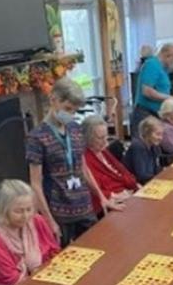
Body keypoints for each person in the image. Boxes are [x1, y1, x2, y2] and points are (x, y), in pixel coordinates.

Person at [26, 77, 120, 247]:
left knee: (96, 250)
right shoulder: (36, 137)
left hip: (84, 206)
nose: (70, 114)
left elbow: (82, 167)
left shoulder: (75, 129)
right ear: (53, 99)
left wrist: (101, 197)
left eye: (74, 111)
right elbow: (35, 184)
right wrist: (49, 220)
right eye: (67, 109)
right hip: (59, 212)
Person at [0, 179, 61, 285]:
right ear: (3, 211)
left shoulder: (36, 220)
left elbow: (53, 251)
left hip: (43, 278)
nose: (26, 216)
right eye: (18, 211)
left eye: (29, 209)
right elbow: (10, 280)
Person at [82, 115, 139, 215]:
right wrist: (116, 195)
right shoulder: (85, 158)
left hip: (127, 194)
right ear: (88, 138)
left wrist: (134, 185)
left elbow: (123, 172)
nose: (105, 141)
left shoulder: (103, 151)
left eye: (106, 136)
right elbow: (95, 190)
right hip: (113, 204)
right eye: (100, 138)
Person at [131, 43, 173, 138]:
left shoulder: (163, 68)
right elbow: (146, 91)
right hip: (145, 114)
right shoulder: (152, 65)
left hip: (155, 113)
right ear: (167, 55)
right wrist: (169, 98)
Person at [123, 116, 164, 184]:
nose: (161, 138)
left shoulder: (154, 146)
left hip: (150, 180)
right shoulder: (138, 147)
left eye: (162, 134)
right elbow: (141, 175)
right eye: (157, 134)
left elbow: (157, 168)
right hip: (136, 184)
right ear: (147, 133)